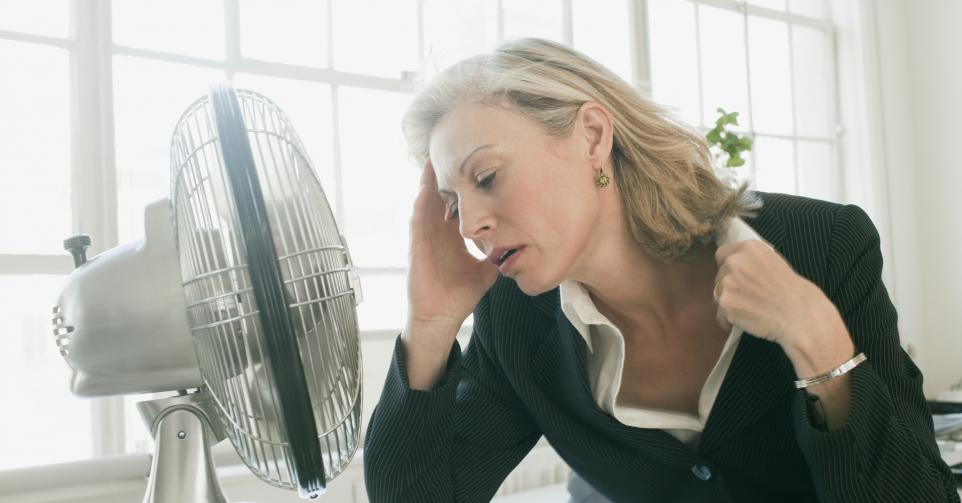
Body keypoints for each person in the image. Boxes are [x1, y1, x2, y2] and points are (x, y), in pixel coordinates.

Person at [363, 38, 958, 503]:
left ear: (593, 136)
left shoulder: (825, 245)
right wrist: (431, 324)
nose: (468, 226)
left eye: (486, 178)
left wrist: (816, 339)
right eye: (453, 203)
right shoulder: (514, 321)